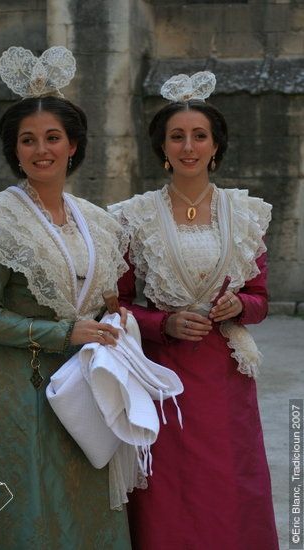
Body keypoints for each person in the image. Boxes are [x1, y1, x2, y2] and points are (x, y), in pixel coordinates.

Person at [0, 46, 131, 549]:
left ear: (73, 146)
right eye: (28, 140)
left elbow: (100, 296)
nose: (40, 149)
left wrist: (114, 317)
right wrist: (61, 331)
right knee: (22, 502)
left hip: (86, 380)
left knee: (79, 494)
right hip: (17, 386)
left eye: (53, 137)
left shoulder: (98, 220)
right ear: (15, 149)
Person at [109, 71, 279, 549]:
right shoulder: (131, 216)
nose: (188, 146)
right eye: (176, 136)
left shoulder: (247, 214)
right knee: (171, 486)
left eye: (199, 136)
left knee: (230, 481)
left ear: (215, 145)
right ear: (162, 147)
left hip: (226, 375)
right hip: (163, 375)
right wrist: (162, 322)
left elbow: (262, 300)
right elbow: (116, 304)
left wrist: (237, 305)